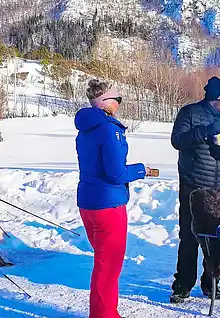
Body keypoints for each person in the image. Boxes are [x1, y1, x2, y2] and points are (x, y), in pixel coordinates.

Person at [75, 79, 150, 318]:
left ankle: (103, 312)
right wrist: (141, 170)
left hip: (87, 202)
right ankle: (104, 314)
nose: (120, 104)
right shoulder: (109, 129)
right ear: (106, 102)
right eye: (118, 99)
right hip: (108, 204)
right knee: (108, 266)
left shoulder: (85, 128)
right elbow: (116, 173)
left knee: (103, 262)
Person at [169, 76, 220, 303]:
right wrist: (204, 131)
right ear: (216, 99)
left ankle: (211, 283)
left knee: (219, 238)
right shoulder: (189, 113)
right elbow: (177, 140)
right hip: (194, 186)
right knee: (190, 236)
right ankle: (183, 285)